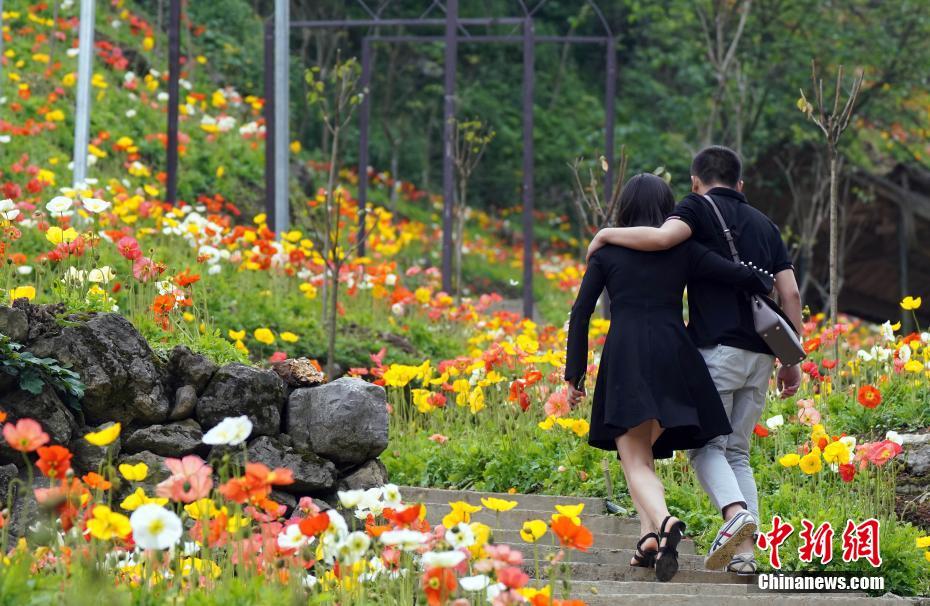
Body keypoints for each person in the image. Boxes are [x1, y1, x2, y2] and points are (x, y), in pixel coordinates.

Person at [585, 146, 803, 575]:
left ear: (695, 181)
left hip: (716, 349)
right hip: (762, 352)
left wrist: (605, 235)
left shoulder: (696, 208)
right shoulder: (765, 223)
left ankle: (733, 512)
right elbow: (790, 293)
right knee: (738, 452)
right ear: (741, 184)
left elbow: (663, 239)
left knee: (707, 448)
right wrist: (791, 358)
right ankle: (744, 556)